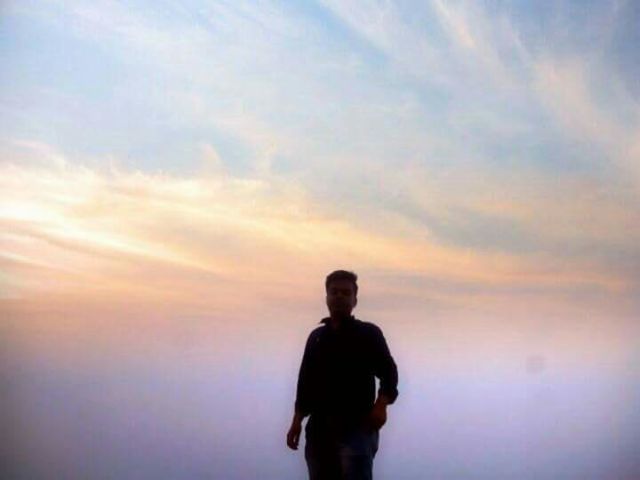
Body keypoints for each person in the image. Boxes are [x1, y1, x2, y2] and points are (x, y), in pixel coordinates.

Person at [286, 269, 399, 480]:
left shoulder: (368, 334)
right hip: (320, 430)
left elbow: (388, 372)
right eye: (334, 292)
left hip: (358, 428)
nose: (339, 296)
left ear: (355, 300)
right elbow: (305, 382)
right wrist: (296, 421)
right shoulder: (316, 337)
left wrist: (381, 405)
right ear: (326, 297)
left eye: (346, 293)